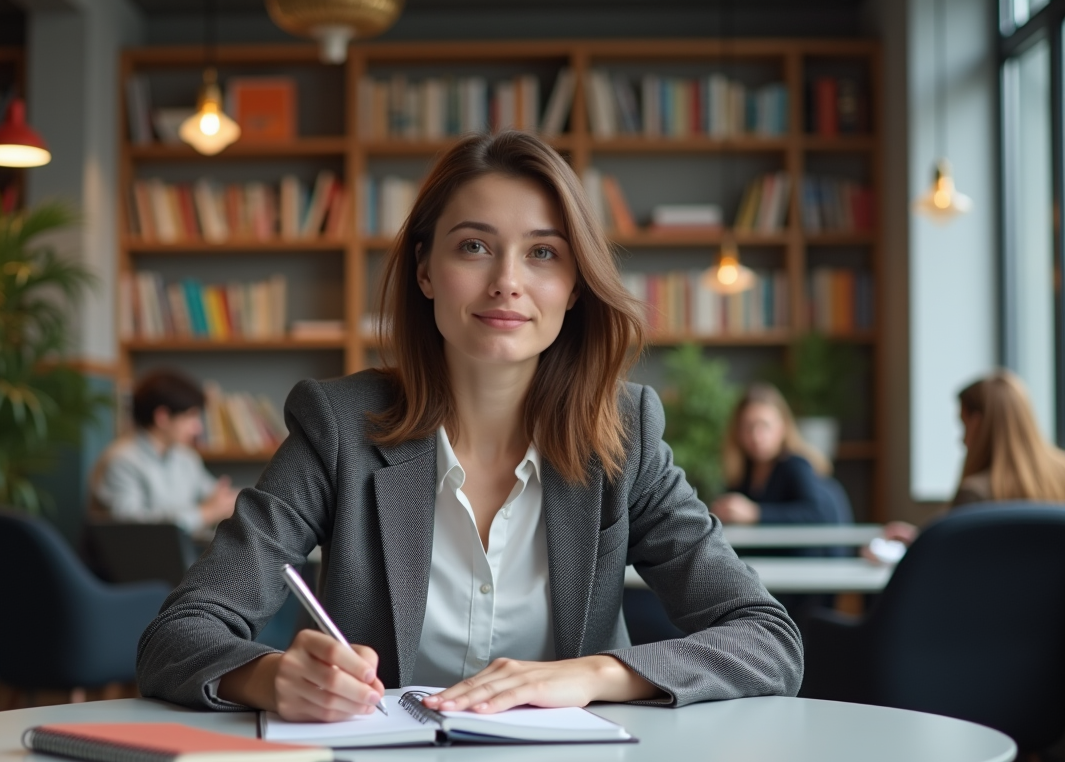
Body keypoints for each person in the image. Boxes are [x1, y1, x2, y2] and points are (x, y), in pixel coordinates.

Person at [136, 131, 802, 723]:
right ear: (425, 269)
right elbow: (179, 634)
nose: (507, 281)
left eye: (543, 253)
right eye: (475, 246)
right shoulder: (339, 426)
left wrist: (592, 675)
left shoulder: (624, 434)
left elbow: (768, 639)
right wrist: (273, 677)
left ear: (575, 285)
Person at [881, 370, 1065, 546]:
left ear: (977, 424)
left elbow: (954, 560)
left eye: (964, 426)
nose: (961, 441)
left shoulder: (974, 494)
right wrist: (921, 539)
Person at [88, 368, 238, 537]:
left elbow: (213, 494)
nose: (198, 428)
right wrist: (204, 514)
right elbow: (132, 529)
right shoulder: (120, 461)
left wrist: (234, 501)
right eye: (191, 417)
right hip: (136, 560)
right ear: (163, 417)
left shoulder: (185, 457)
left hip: (180, 556)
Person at [709, 383, 851, 526]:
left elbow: (817, 513)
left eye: (764, 425)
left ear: (783, 427)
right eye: (748, 427)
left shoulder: (795, 465)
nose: (756, 436)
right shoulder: (743, 473)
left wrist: (755, 513)